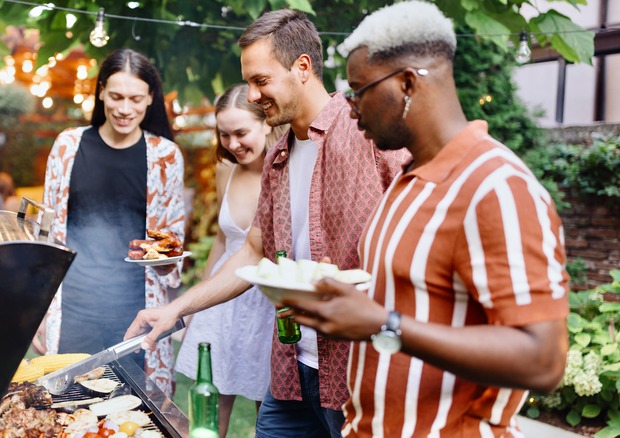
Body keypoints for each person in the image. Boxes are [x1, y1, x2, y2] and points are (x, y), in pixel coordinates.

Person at [282, 2, 570, 436]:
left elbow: (543, 359)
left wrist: (384, 325)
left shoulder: (497, 187)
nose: (350, 108)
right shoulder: (405, 179)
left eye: (359, 90)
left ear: (408, 83)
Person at [125, 10, 408, 437]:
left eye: (261, 81)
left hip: (356, 372)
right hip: (291, 369)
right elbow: (254, 250)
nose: (253, 95)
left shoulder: (366, 133)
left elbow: (420, 231)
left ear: (302, 67)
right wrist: (175, 309)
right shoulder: (277, 160)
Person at [35, 48, 185, 396]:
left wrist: (168, 262)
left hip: (137, 314)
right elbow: (46, 235)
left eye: (135, 99)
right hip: (74, 308)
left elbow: (172, 239)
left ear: (150, 99)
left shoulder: (165, 156)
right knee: (69, 413)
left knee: (135, 418)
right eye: (116, 96)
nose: (124, 108)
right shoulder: (68, 146)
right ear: (100, 91)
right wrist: (38, 312)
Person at [174, 83, 287, 437]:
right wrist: (197, 304)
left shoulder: (287, 168)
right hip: (224, 301)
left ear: (266, 122)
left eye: (241, 133)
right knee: (209, 415)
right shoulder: (228, 170)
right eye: (224, 135)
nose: (232, 144)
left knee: (268, 415)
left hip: (267, 306)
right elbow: (224, 241)